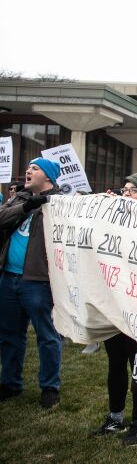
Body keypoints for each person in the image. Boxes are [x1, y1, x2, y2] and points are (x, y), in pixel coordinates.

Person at [90, 172, 137, 446]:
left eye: (133, 190)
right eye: (124, 189)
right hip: (116, 306)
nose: (126, 194)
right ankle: (115, 416)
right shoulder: (114, 222)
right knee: (115, 363)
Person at [0, 158, 63, 409]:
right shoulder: (19, 199)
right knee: (9, 335)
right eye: (28, 167)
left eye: (35, 168)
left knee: (47, 336)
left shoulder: (59, 203)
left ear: (48, 176)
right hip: (9, 278)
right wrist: (26, 207)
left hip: (38, 281)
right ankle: (10, 382)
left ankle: (49, 387)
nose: (28, 171)